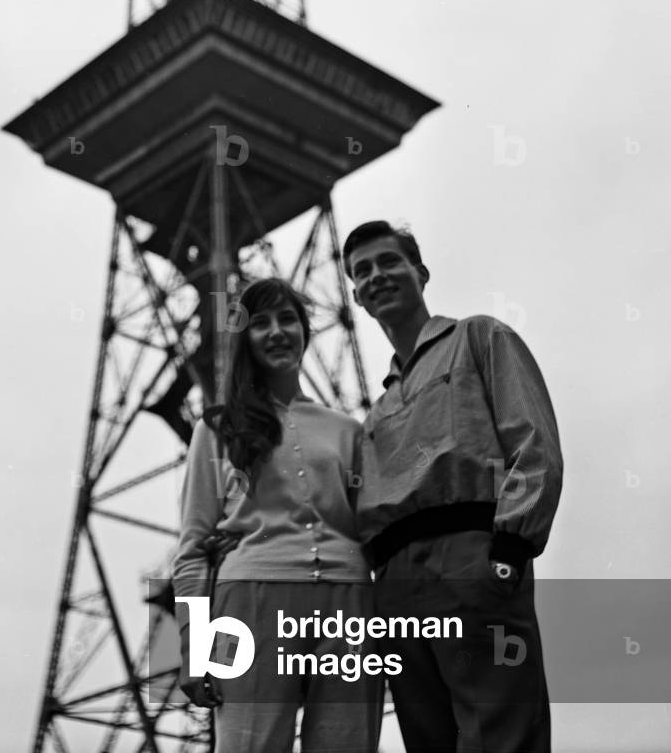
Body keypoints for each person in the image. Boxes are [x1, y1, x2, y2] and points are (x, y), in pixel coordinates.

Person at [342, 220, 563, 753]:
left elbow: (533, 444)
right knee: (428, 738)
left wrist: (509, 548)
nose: (377, 276)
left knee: (499, 733)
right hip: (393, 583)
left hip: (470, 558)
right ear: (355, 297)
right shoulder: (373, 415)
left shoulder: (479, 337)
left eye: (389, 262)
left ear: (420, 272)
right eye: (362, 271)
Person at [172, 277, 383, 753]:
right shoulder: (218, 429)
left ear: (305, 331)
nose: (277, 332)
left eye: (287, 319)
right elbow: (192, 550)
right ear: (244, 339)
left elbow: (373, 526)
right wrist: (192, 648)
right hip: (246, 606)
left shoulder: (347, 431)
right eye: (260, 323)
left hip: (347, 607)